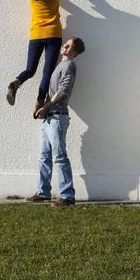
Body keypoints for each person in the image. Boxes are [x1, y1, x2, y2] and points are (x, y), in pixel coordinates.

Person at [7, 0, 67, 116]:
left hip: (36, 34)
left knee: (30, 69)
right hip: (54, 34)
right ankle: (39, 102)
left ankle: (17, 82)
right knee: (47, 71)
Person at [25, 37, 85, 207]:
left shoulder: (69, 66)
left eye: (68, 46)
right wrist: (42, 108)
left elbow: (63, 90)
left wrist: (47, 106)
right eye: (65, 44)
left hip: (58, 116)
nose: (64, 47)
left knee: (59, 157)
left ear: (74, 52)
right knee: (44, 156)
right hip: (49, 117)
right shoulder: (60, 64)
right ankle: (43, 192)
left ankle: (67, 196)